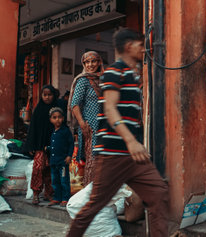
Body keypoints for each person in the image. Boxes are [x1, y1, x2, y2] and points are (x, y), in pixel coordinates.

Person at [66, 28, 168, 237]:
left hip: (134, 157)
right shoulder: (114, 71)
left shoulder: (132, 74)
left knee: (158, 193)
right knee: (94, 206)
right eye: (140, 45)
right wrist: (131, 141)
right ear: (129, 46)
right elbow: (110, 108)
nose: (143, 50)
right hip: (113, 153)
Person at [67, 51, 104, 186]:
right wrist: (82, 124)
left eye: (93, 61)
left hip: (105, 126)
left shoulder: (104, 79)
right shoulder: (83, 80)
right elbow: (75, 104)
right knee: (93, 161)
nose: (90, 65)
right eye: (87, 62)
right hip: (91, 126)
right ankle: (88, 195)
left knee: (103, 162)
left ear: (99, 62)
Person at [23, 85, 58, 205]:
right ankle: (36, 194)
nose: (47, 97)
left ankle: (49, 193)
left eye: (50, 95)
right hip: (40, 146)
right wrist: (31, 145)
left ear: (54, 95)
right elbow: (33, 129)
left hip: (54, 146)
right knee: (38, 169)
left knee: (50, 170)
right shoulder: (38, 110)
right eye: (45, 95)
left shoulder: (57, 109)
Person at [46, 107, 73, 207]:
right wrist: (48, 148)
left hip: (62, 162)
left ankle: (65, 198)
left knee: (64, 181)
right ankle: (57, 198)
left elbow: (71, 144)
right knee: (55, 181)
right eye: (54, 117)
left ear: (63, 118)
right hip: (53, 162)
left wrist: (69, 156)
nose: (57, 119)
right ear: (50, 120)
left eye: (59, 117)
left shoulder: (65, 131)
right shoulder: (52, 132)